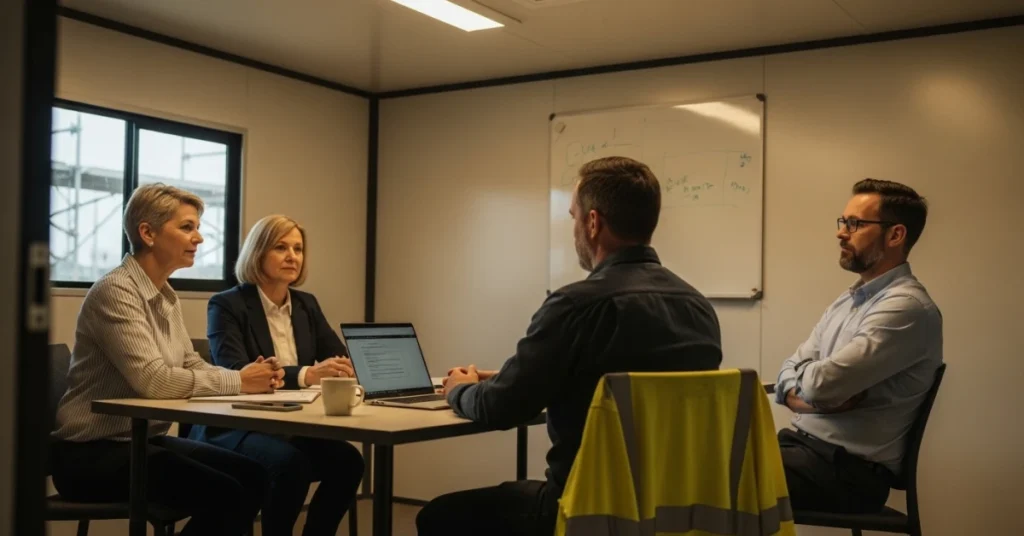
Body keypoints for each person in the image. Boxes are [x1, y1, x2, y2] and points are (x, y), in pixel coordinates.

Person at [416, 156, 723, 536]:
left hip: (581, 507)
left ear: (593, 223)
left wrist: (459, 389)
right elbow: (606, 380)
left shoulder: (576, 306)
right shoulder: (696, 306)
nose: (574, 228)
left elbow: (500, 408)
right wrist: (509, 375)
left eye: (573, 216)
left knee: (437, 516)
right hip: (674, 507)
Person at [51, 183, 283, 536]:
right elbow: (154, 381)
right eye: (187, 227)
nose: (199, 238)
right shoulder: (115, 291)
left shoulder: (165, 295)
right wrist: (238, 381)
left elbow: (189, 363)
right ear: (148, 233)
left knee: (254, 476)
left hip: (142, 441)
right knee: (229, 494)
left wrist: (248, 377)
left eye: (198, 228)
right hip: (89, 455)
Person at [188, 214, 365, 536]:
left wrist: (340, 367)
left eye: (298, 249)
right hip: (234, 426)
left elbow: (337, 357)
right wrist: (308, 374)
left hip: (291, 423)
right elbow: (236, 371)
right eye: (281, 247)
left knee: (349, 460)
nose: (292, 256)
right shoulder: (227, 304)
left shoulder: (306, 304)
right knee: (289, 465)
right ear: (258, 253)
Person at [774, 178, 942, 514]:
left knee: (714, 472)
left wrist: (805, 385)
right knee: (710, 456)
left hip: (845, 473)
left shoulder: (905, 308)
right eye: (844, 222)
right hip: (804, 451)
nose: (841, 232)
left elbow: (822, 384)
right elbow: (791, 367)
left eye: (855, 224)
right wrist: (805, 398)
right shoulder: (848, 300)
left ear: (895, 235)